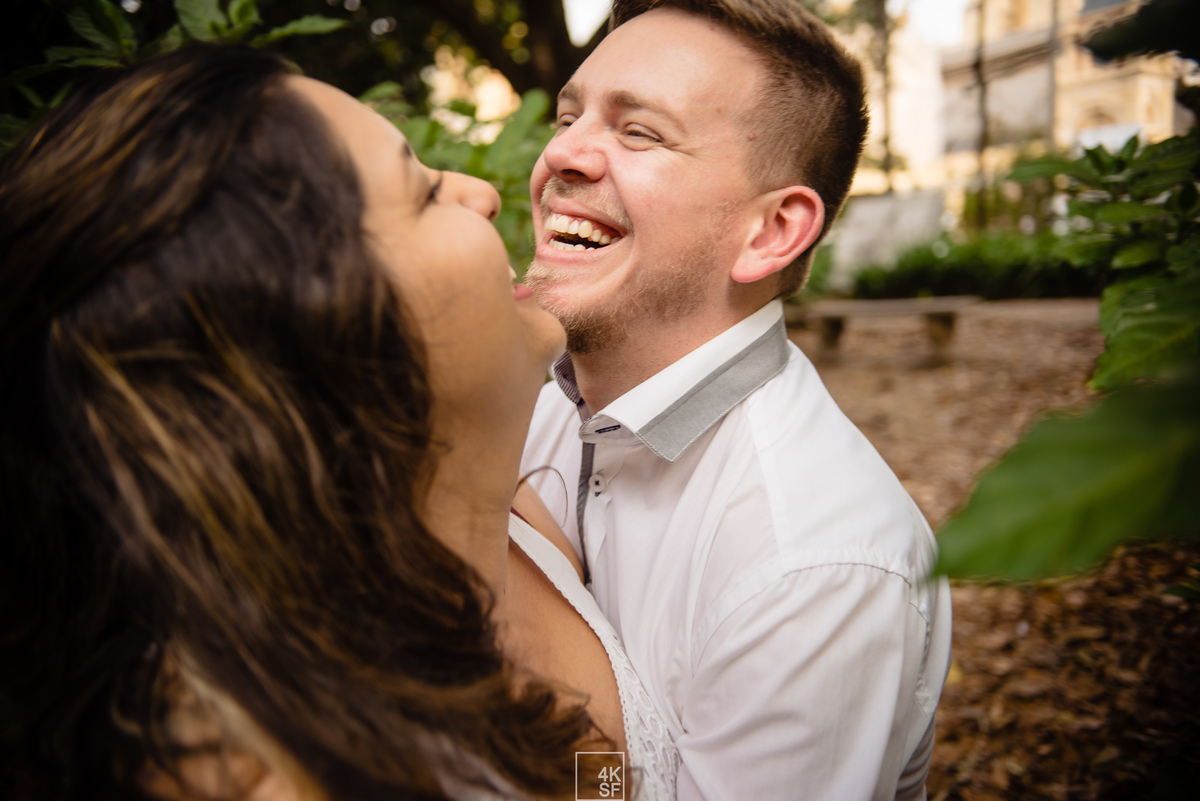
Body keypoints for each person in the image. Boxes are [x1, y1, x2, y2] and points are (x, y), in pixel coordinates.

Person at [0, 46, 677, 800]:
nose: (483, 193)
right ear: (316, 331)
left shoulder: (526, 521)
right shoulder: (253, 768)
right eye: (422, 193)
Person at [517, 1, 953, 799]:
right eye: (569, 116)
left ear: (772, 231)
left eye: (639, 131)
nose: (561, 156)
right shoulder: (521, 403)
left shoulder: (812, 567)